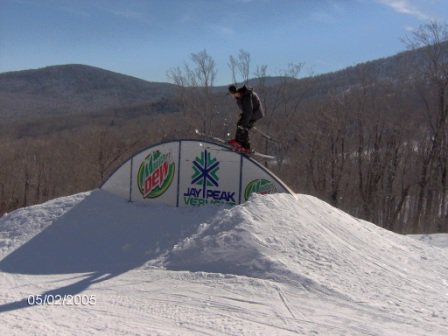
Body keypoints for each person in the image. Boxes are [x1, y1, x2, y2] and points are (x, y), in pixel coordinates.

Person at [227, 84, 264, 153]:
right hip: (252, 114)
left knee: (243, 127)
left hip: (255, 114)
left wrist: (245, 122)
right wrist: (243, 115)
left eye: (233, 94)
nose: (233, 96)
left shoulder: (246, 96)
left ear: (236, 92)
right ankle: (241, 144)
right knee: (240, 125)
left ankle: (244, 145)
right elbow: (247, 110)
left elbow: (249, 111)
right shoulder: (241, 96)